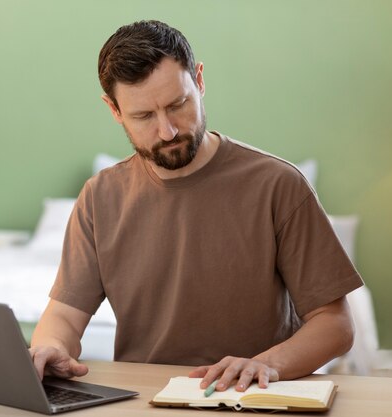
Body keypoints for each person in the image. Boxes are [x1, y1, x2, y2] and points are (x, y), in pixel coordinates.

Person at [29, 20, 363, 394]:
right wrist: (50, 348)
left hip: (252, 396)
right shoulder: (99, 196)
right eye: (143, 116)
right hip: (145, 400)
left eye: (178, 104)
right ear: (114, 110)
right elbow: (64, 317)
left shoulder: (278, 185)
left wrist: (265, 364)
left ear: (199, 80)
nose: (167, 130)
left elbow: (335, 325)